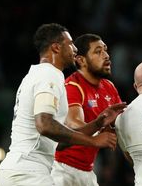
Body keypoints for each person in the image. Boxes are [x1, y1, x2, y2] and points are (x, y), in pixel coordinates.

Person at [0, 23, 124, 186]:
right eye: (70, 44)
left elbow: (60, 144)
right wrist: (94, 141)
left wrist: (97, 124)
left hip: (24, 169)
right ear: (56, 48)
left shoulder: (37, 74)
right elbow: (45, 125)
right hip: (28, 172)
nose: (75, 49)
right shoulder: (49, 74)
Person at [51, 34, 123, 186]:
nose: (106, 55)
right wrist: (98, 129)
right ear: (81, 60)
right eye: (98, 51)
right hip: (61, 168)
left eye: (105, 50)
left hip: (88, 170)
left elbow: (117, 128)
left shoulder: (108, 87)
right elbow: (73, 124)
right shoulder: (73, 86)